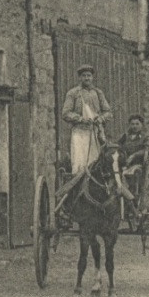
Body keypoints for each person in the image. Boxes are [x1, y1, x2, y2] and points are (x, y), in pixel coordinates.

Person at [55, 65, 112, 215]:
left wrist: (100, 118)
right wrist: (80, 119)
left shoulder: (98, 93)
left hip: (95, 133)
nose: (87, 78)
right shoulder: (73, 93)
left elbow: (108, 112)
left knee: (96, 166)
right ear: (79, 77)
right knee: (80, 166)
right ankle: (74, 201)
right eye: (84, 76)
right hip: (80, 133)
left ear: (92, 77)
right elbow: (66, 113)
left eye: (89, 76)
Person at [119, 114, 149, 226]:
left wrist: (134, 155)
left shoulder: (144, 137)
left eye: (137, 124)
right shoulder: (125, 136)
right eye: (132, 124)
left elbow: (146, 150)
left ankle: (134, 196)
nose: (135, 126)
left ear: (141, 125)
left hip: (137, 165)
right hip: (124, 166)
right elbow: (118, 146)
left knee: (134, 175)